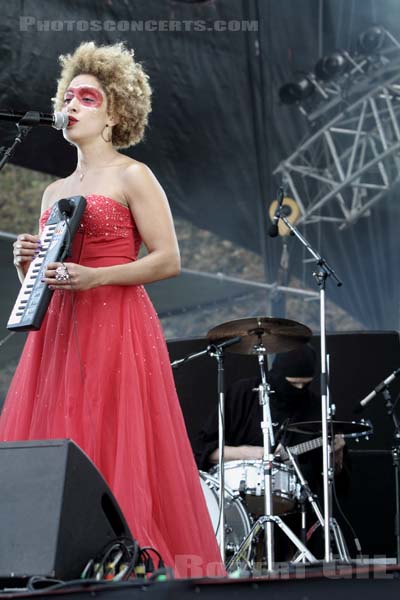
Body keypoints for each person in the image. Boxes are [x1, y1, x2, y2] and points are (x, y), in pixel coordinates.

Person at [0, 41, 224, 578]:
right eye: (68, 97)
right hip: (58, 332)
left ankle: (126, 565)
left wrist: (95, 276)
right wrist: (23, 264)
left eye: (87, 98)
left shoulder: (133, 175)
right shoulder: (54, 189)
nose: (72, 106)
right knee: (59, 438)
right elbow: (44, 280)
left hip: (116, 323)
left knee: (117, 438)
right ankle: (47, 564)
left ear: (115, 113)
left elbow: (168, 260)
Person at [196, 344, 347, 560]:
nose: (299, 390)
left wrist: (336, 456)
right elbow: (204, 451)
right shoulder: (242, 394)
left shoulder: (315, 408)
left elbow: (333, 479)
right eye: (292, 384)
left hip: (294, 513)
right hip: (231, 507)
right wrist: (251, 454)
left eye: (305, 384)